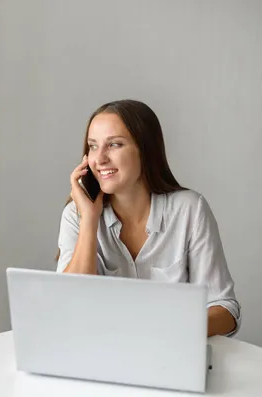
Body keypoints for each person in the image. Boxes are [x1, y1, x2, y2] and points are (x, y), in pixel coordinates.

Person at [56, 99, 241, 337]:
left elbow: (225, 309)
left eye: (114, 145)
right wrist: (90, 221)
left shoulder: (189, 210)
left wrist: (173, 331)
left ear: (145, 151)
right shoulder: (77, 214)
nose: (99, 159)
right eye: (93, 146)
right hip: (99, 354)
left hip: (172, 353)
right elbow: (68, 305)